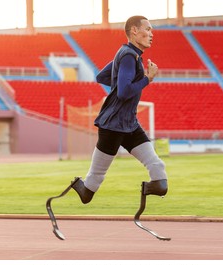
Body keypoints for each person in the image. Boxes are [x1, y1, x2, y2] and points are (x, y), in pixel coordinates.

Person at [69, 15, 168, 204]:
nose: (151, 34)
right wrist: (148, 78)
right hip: (113, 125)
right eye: (147, 29)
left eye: (152, 31)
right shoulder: (129, 56)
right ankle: (82, 188)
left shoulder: (127, 54)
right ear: (134, 31)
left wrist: (121, 79)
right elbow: (123, 92)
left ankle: (152, 187)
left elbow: (101, 77)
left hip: (129, 124)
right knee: (92, 183)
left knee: (158, 170)